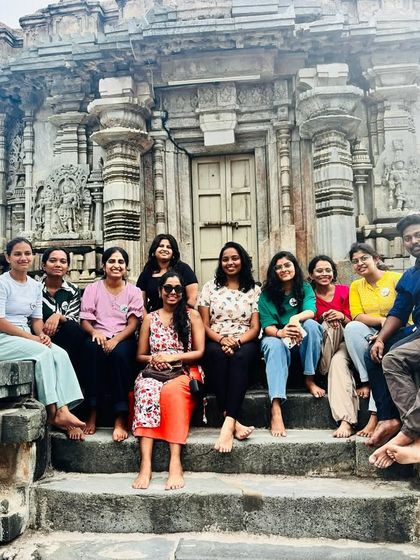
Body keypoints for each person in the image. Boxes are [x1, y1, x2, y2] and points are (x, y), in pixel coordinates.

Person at [0, 237, 85, 439]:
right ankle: (54, 413)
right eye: (18, 254)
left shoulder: (35, 286)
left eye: (27, 254)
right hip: (5, 336)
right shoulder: (3, 283)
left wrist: (42, 335)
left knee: (60, 353)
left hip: (25, 335)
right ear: (8, 257)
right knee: (43, 353)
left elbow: (36, 319)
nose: (23, 258)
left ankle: (65, 409)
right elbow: (1, 321)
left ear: (33, 257)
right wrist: (32, 338)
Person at [132, 271, 205, 491]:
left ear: (183, 292)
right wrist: (155, 359)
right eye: (168, 288)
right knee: (146, 390)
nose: (172, 293)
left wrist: (174, 357)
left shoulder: (192, 316)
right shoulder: (150, 318)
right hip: (154, 370)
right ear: (160, 291)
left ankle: (175, 462)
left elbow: (200, 352)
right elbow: (140, 355)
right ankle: (146, 465)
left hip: (184, 370)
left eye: (177, 289)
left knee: (171, 393)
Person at [367, 214, 420, 468]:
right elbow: (399, 311)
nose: (413, 241)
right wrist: (380, 338)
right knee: (386, 355)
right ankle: (395, 420)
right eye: (407, 238)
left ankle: (411, 434)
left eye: (418, 235)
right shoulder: (410, 276)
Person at [198, 241, 261, 453]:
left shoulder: (254, 290)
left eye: (234, 258)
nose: (230, 262)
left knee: (240, 357)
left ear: (242, 260)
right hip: (216, 338)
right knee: (215, 355)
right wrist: (221, 339)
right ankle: (233, 421)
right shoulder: (209, 287)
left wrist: (237, 341)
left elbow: (254, 327)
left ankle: (228, 421)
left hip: (245, 339)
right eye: (225, 259)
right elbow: (203, 324)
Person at [80, 247, 144, 441]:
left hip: (122, 336)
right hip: (98, 334)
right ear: (104, 266)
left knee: (120, 355)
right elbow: (85, 321)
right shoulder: (93, 289)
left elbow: (133, 323)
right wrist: (96, 333)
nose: (116, 266)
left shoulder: (133, 291)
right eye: (112, 261)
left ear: (126, 268)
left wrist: (116, 339)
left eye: (121, 262)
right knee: (91, 350)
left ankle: (120, 416)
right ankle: (92, 411)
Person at [259, 251, 323, 437]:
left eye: (287, 265)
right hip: (278, 337)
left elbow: (311, 311)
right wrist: (281, 332)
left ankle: (309, 380)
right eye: (278, 267)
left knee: (311, 325)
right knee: (273, 344)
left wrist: (295, 319)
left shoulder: (304, 288)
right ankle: (276, 407)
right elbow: (267, 325)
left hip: (300, 336)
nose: (283, 269)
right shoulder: (266, 295)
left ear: (294, 267)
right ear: (273, 271)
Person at [343, 243, 402, 438]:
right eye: (355, 261)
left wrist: (387, 329)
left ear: (376, 259)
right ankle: (365, 380)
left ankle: (375, 414)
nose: (360, 263)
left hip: (399, 330)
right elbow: (357, 315)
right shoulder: (356, 286)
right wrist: (380, 320)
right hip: (370, 331)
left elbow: (406, 312)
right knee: (351, 328)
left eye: (364, 258)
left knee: (376, 356)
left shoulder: (395, 279)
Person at [308, 255, 355, 438]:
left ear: (333, 273)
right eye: (319, 270)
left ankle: (345, 421)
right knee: (328, 324)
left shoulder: (346, 291)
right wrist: (324, 318)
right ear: (311, 274)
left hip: (344, 343)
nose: (324, 274)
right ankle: (323, 368)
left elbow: (355, 321)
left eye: (328, 270)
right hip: (321, 347)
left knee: (338, 361)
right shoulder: (308, 295)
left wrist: (341, 317)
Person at [40, 246, 87, 381]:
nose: (58, 265)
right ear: (44, 265)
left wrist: (57, 316)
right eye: (53, 261)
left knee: (73, 329)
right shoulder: (35, 288)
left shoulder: (73, 290)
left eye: (63, 261)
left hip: (65, 338)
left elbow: (73, 317)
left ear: (67, 267)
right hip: (39, 335)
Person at [136, 234, 198, 312]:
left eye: (169, 247)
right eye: (161, 246)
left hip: (181, 316)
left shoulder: (184, 269)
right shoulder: (146, 273)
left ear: (173, 252)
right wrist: (148, 320)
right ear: (154, 250)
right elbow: (141, 305)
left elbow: (192, 299)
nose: (164, 249)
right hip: (154, 319)